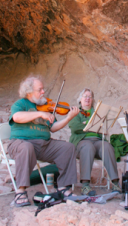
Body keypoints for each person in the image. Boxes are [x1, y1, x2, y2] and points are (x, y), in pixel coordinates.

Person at [8, 76, 79, 207]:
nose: (43, 92)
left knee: (68, 148)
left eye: (43, 89)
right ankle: (20, 191)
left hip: (44, 145)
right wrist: (39, 114)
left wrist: (68, 118)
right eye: (40, 89)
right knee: (27, 147)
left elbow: (53, 127)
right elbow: (17, 117)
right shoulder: (20, 104)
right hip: (21, 143)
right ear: (29, 91)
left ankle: (63, 188)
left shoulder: (44, 106)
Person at [69, 88, 121, 196]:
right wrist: (90, 124)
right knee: (88, 147)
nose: (87, 98)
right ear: (80, 99)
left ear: (92, 99)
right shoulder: (75, 112)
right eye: (85, 96)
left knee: (107, 146)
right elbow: (74, 127)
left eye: (90, 96)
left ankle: (115, 183)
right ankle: (85, 185)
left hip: (97, 140)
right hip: (81, 141)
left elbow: (104, 127)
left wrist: (85, 124)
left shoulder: (97, 113)